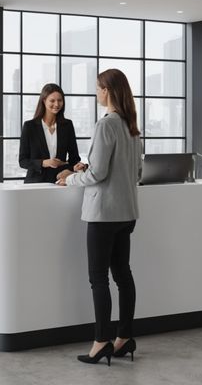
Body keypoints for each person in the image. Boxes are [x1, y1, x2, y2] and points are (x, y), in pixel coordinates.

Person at [56, 69, 142, 365]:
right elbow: (137, 172)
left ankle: (101, 341)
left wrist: (69, 179)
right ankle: (124, 337)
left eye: (98, 88)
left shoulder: (107, 125)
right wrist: (87, 169)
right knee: (123, 275)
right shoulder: (131, 126)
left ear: (107, 91)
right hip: (127, 212)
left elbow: (98, 173)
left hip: (104, 213)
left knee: (98, 278)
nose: (96, 93)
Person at [18, 83, 84, 183]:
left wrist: (75, 167)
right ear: (44, 101)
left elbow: (74, 159)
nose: (57, 104)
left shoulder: (67, 125)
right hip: (35, 184)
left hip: (60, 182)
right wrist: (45, 162)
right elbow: (23, 161)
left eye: (60, 100)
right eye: (52, 100)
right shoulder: (29, 126)